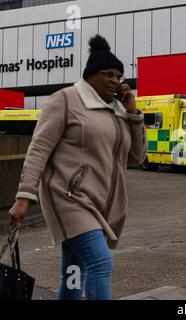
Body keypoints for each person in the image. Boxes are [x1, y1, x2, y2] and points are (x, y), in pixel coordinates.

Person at [8, 34, 147, 300]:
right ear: (91, 74)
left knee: (74, 272)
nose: (115, 81)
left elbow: (137, 157)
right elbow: (39, 148)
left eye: (119, 76)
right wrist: (24, 196)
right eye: (109, 74)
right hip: (67, 198)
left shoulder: (116, 109)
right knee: (100, 262)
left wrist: (133, 113)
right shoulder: (65, 100)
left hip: (98, 204)